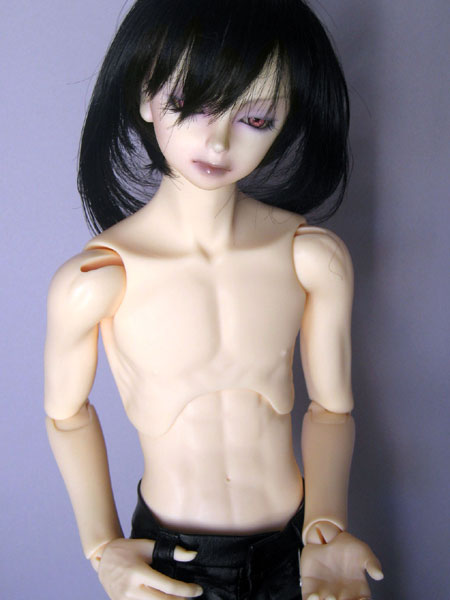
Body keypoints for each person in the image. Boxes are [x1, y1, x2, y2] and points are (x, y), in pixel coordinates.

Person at [45, 1, 383, 598]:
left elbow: (331, 409)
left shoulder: (310, 258)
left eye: (256, 118)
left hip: (297, 551)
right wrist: (102, 547)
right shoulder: (98, 280)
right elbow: (65, 416)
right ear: (145, 96)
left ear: (287, 122)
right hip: (172, 564)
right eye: (190, 103)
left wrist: (326, 525)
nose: (219, 141)